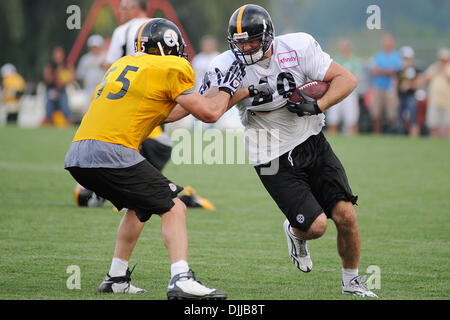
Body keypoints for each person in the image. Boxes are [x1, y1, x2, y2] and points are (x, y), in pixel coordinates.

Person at [170, 4, 378, 297]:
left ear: (268, 37)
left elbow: (347, 79)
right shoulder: (226, 64)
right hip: (269, 153)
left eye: (252, 40)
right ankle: (295, 232)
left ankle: (352, 281)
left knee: (346, 216)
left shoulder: (299, 46)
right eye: (239, 42)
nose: (245, 47)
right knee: (317, 226)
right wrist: (244, 92)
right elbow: (206, 107)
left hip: (311, 138)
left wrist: (317, 105)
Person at [64, 18, 244, 299]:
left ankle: (116, 277)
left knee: (139, 207)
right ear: (169, 45)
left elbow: (163, 114)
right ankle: (181, 279)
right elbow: (210, 114)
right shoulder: (171, 66)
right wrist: (237, 91)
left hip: (78, 153)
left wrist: (207, 94)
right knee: (175, 207)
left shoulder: (123, 65)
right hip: (111, 151)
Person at [97, 0, 215, 210]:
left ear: (134, 8)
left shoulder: (123, 31)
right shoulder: (160, 28)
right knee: (153, 148)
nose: (120, 12)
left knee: (142, 149)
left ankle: (143, 194)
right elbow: (206, 112)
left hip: (122, 106)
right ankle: (161, 195)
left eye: (123, 8)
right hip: (145, 103)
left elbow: (112, 65)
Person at [369, 33, 403, 134]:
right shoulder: (377, 56)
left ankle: (393, 132)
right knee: (376, 113)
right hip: (378, 87)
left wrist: (381, 71)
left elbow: (397, 72)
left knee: (391, 113)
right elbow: (374, 71)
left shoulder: (397, 56)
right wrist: (388, 71)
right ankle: (377, 133)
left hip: (391, 88)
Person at [326, 40, 360, 136]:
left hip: (350, 93)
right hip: (336, 92)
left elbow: (355, 77)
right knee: (333, 119)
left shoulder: (353, 61)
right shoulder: (336, 61)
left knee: (351, 120)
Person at [42, 46, 75, 126]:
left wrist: (63, 81)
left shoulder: (67, 65)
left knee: (65, 109)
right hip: (51, 90)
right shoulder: (50, 66)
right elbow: (47, 78)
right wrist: (56, 77)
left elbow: (72, 77)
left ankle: (67, 124)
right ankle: (48, 123)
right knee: (49, 110)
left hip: (62, 91)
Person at [396, 46, 423, 138]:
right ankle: (400, 135)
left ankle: (413, 135)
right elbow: (395, 84)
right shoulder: (399, 70)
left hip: (411, 96)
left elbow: (419, 82)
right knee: (399, 117)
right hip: (400, 97)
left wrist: (409, 85)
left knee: (413, 116)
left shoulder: (415, 69)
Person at [76, 34, 106, 113]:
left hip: (102, 89)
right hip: (88, 89)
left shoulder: (106, 57)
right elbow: (80, 75)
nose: (95, 49)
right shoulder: (85, 59)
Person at [424, 47, 450, 138]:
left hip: (447, 101)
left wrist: (444, 71)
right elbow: (426, 79)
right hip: (435, 100)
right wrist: (437, 70)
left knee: (447, 125)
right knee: (434, 125)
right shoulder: (434, 67)